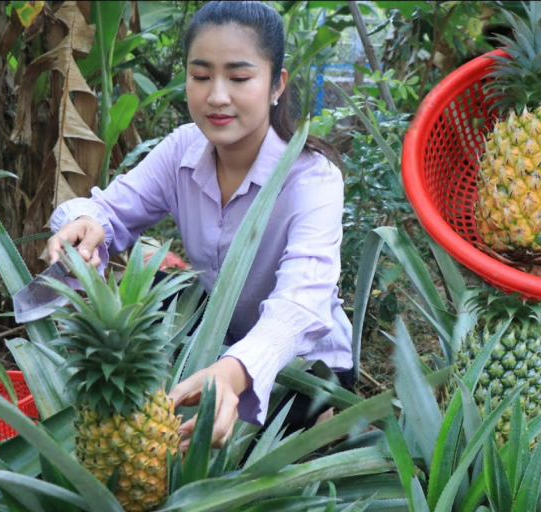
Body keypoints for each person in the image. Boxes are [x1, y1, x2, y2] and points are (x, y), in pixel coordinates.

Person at [46, 1, 353, 452]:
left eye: (240, 77)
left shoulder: (312, 178)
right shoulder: (182, 151)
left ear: (276, 85)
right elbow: (108, 211)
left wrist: (234, 371)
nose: (217, 96)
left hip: (301, 359)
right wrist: (85, 223)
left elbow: (302, 303)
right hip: (217, 341)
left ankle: (331, 423)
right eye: (201, 75)